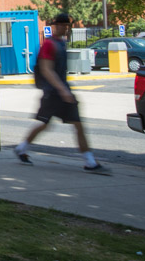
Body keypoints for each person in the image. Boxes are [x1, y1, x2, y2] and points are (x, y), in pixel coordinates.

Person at [13, 12, 111, 174]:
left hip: (62, 92)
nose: (66, 28)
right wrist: (62, 90)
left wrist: (65, 91)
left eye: (68, 25)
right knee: (44, 124)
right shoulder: (49, 44)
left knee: (77, 125)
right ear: (55, 26)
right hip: (53, 93)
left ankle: (90, 162)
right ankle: (21, 148)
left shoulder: (61, 43)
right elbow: (46, 69)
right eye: (63, 25)